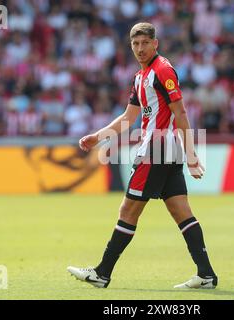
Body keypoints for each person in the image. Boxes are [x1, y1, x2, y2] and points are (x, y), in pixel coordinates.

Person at [67, 22, 218, 289]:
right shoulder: (140, 77)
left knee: (128, 209)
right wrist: (98, 136)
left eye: (145, 43)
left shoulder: (163, 70)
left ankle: (102, 273)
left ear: (155, 44)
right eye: (135, 44)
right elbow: (128, 118)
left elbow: (180, 113)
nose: (140, 49)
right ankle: (206, 275)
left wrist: (192, 155)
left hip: (157, 149)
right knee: (180, 210)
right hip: (164, 150)